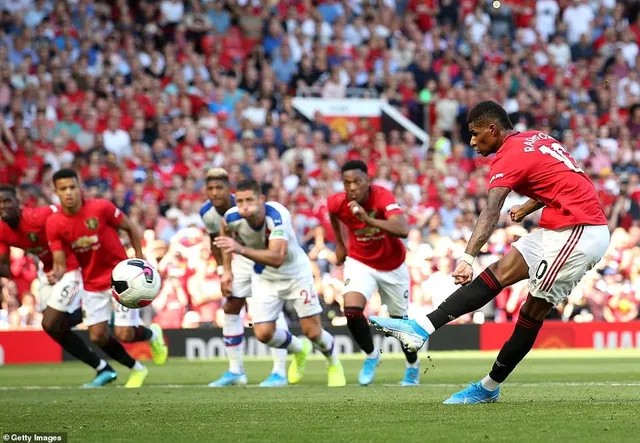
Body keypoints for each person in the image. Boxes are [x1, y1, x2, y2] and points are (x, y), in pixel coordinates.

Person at [370, 100, 610, 403]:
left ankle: (488, 387)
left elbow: (491, 211)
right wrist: (528, 205)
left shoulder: (507, 157)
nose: (472, 141)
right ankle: (421, 327)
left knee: (532, 310)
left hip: (580, 230)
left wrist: (467, 257)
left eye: (475, 133)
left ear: (492, 130)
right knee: (498, 272)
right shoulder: (537, 138)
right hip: (561, 227)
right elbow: (564, 177)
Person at [214, 179, 346, 387]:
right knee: (263, 334)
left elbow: (277, 258)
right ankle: (298, 348)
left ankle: (333, 362)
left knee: (313, 332)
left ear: (262, 200)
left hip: (296, 275)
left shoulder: (276, 216)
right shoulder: (231, 217)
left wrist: (239, 249)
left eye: (250, 200)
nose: (244, 206)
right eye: (239, 201)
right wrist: (228, 270)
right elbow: (224, 232)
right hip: (265, 278)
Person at [46, 168, 169, 388]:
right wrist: (56, 273)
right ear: (56, 192)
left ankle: (152, 335)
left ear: (80, 187)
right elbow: (59, 262)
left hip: (122, 279)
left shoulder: (100, 208)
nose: (69, 193)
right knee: (98, 336)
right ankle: (137, 369)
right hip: (91, 283)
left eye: (72, 187)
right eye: (63, 189)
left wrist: (139, 261)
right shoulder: (54, 223)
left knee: (125, 334)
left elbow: (130, 227)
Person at [0, 184, 115, 386]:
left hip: (71, 267)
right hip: (48, 273)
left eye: (7, 201)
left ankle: (100, 310)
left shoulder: (38, 216)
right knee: (55, 327)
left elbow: (66, 216)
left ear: (18, 202)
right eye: (0, 203)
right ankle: (102, 367)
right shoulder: (2, 230)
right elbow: (4, 267)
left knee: (50, 323)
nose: (4, 206)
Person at [327, 160, 419, 386]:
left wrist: (367, 220)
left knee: (400, 323)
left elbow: (403, 229)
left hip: (392, 264)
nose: (352, 188)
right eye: (347, 183)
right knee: (350, 311)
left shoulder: (382, 196)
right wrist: (340, 244)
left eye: (357, 181)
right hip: (360, 262)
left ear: (368, 181)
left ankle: (412, 366)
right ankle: (371, 355)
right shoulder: (336, 203)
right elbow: (334, 216)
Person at [200, 168, 291, 388]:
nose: (214, 193)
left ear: (229, 190)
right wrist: (225, 270)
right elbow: (217, 241)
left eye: (219, 187)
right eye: (210, 188)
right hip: (238, 259)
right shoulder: (207, 213)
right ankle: (235, 371)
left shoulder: (243, 204)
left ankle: (280, 371)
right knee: (230, 307)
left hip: (261, 256)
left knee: (269, 308)